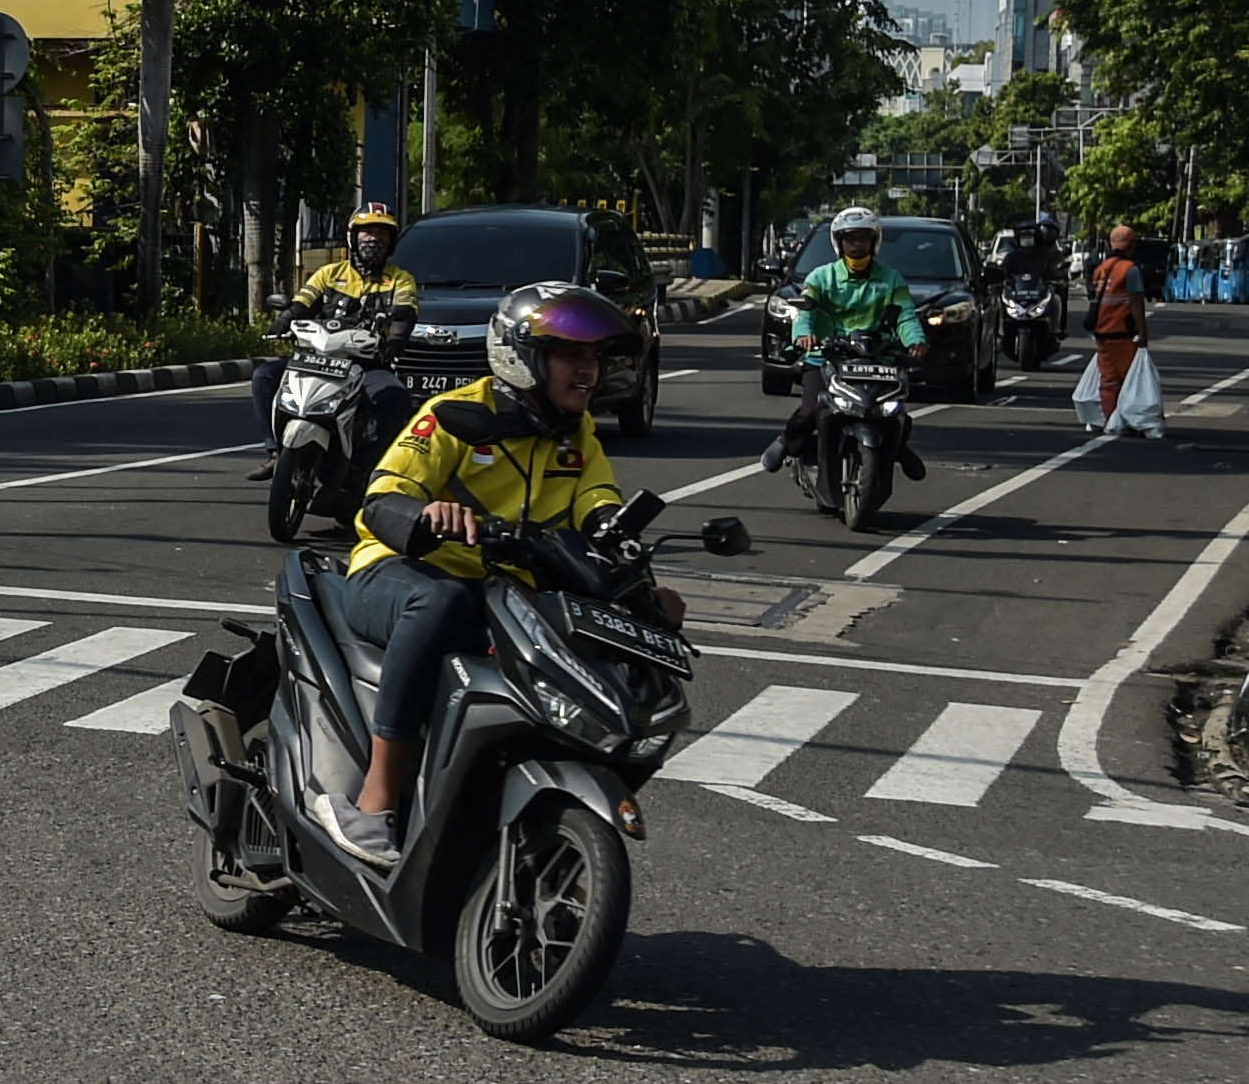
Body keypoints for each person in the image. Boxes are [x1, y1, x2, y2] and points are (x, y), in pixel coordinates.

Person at [317, 283, 681, 868]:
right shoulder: (456, 416)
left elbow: (597, 506)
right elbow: (382, 498)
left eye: (594, 358)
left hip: (506, 594)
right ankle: (376, 798)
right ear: (521, 355)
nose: (587, 372)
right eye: (571, 356)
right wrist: (428, 515)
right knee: (441, 606)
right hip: (401, 573)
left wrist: (636, 576)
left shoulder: (577, 435)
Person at [249, 200, 421, 482]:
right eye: (367, 232)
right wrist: (282, 322)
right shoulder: (329, 273)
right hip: (317, 361)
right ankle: (275, 452)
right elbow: (302, 303)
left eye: (381, 234)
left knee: (396, 398)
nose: (373, 239)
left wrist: (395, 340)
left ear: (390, 241)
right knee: (264, 376)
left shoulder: (401, 280)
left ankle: (367, 468)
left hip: (366, 365)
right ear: (353, 237)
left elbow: (404, 313)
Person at [760, 205, 926, 476]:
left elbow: (905, 315)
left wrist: (915, 341)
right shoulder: (821, 278)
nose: (857, 245)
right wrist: (803, 336)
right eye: (850, 239)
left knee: (896, 413)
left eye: (863, 238)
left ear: (874, 242)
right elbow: (806, 312)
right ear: (839, 243)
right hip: (826, 358)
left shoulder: (891, 280)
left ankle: (897, 448)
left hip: (876, 360)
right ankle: (786, 441)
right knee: (811, 411)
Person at [1091, 222, 1153, 429]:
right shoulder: (1130, 270)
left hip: (1102, 333)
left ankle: (1110, 420)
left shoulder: (1101, 269)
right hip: (1123, 333)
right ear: (1132, 245)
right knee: (1129, 378)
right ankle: (1126, 419)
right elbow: (1136, 303)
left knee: (1108, 380)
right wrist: (1143, 332)